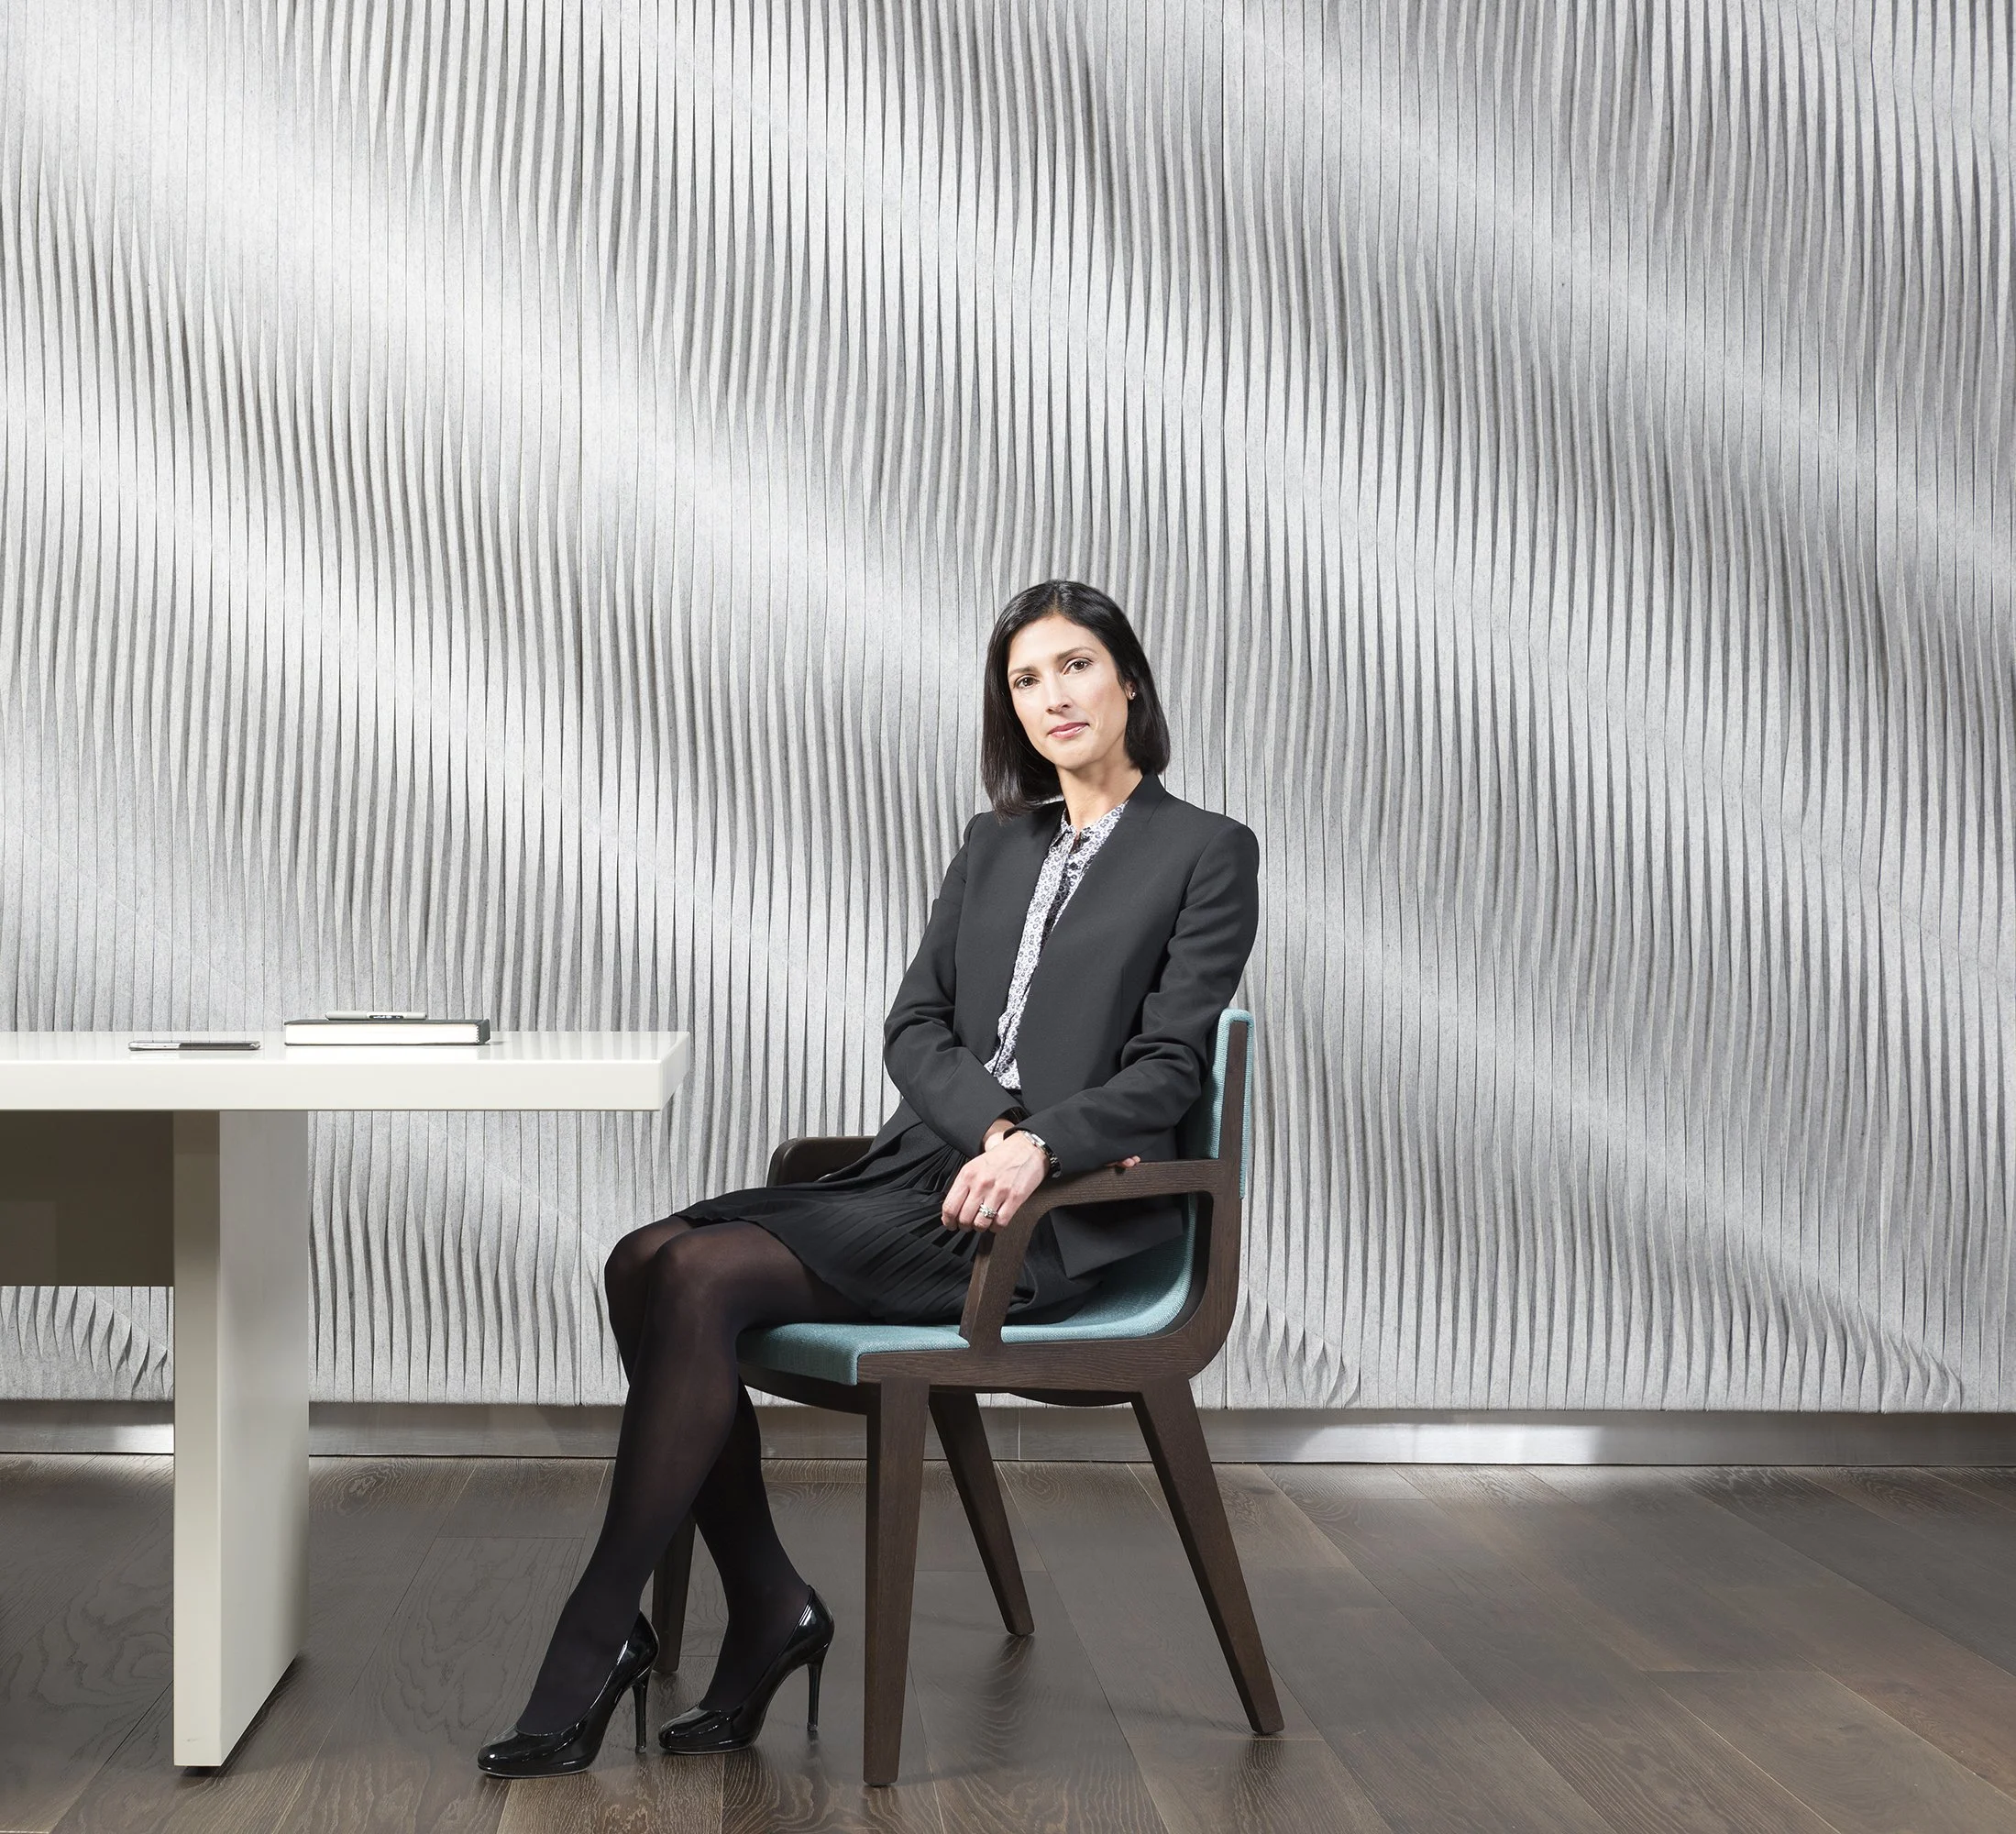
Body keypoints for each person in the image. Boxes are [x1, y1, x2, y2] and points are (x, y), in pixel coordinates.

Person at [478, 580, 1261, 1778]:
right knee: (642, 1259)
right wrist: (991, 1118)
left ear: (1128, 682)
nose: (1053, 696)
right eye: (1025, 679)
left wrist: (1038, 1146)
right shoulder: (994, 841)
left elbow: (1167, 1065)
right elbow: (914, 1025)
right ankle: (771, 1608)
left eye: (1075, 667)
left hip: (1041, 1220)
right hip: (920, 1169)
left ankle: (599, 1638)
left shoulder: (1204, 851)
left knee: (688, 1272)